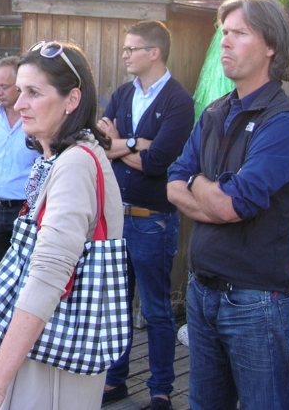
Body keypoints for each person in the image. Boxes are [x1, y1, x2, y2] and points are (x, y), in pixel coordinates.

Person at [167, 0, 289, 410]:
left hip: (255, 303)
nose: (225, 42)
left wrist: (196, 183)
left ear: (271, 45)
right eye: (224, 33)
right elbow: (173, 184)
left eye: (239, 33)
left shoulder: (285, 124)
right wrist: (206, 189)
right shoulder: (214, 112)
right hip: (201, 292)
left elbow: (231, 205)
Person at [0, 41, 124, 410]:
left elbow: (48, 276)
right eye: (19, 91)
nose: (19, 103)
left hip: (52, 361)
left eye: (33, 93)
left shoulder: (74, 165)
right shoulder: (63, 156)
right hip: (45, 343)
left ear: (72, 100)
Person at [96, 21, 193, 409]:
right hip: (116, 217)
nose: (124, 55)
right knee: (117, 307)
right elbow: (100, 146)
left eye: (131, 48)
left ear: (154, 53)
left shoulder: (178, 101)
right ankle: (115, 381)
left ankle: (161, 390)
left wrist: (118, 144)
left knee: (155, 310)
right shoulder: (123, 93)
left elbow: (158, 163)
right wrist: (135, 141)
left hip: (153, 220)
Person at [0, 56, 39, 356]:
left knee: (26, 277)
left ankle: (24, 342)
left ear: (20, 85)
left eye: (5, 86)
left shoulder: (34, 120)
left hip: (24, 210)